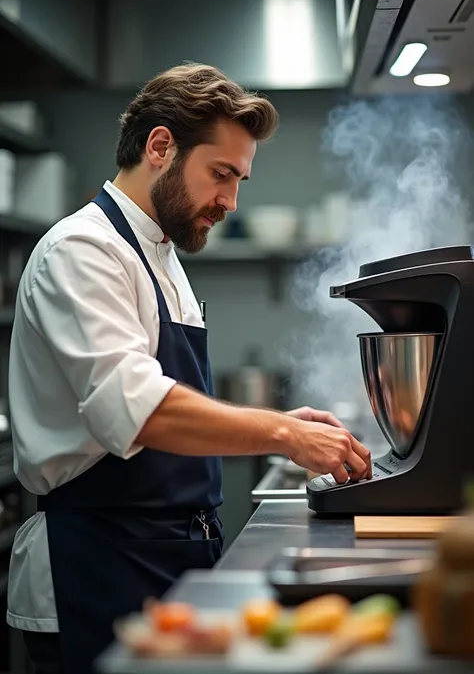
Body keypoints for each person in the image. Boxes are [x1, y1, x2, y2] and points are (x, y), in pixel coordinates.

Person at [6, 63, 372, 674]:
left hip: (167, 557)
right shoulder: (82, 252)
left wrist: (278, 420)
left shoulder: (162, 254)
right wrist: (285, 433)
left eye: (239, 179)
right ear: (159, 146)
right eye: (221, 174)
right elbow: (140, 407)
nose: (230, 200)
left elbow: (170, 399)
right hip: (93, 565)